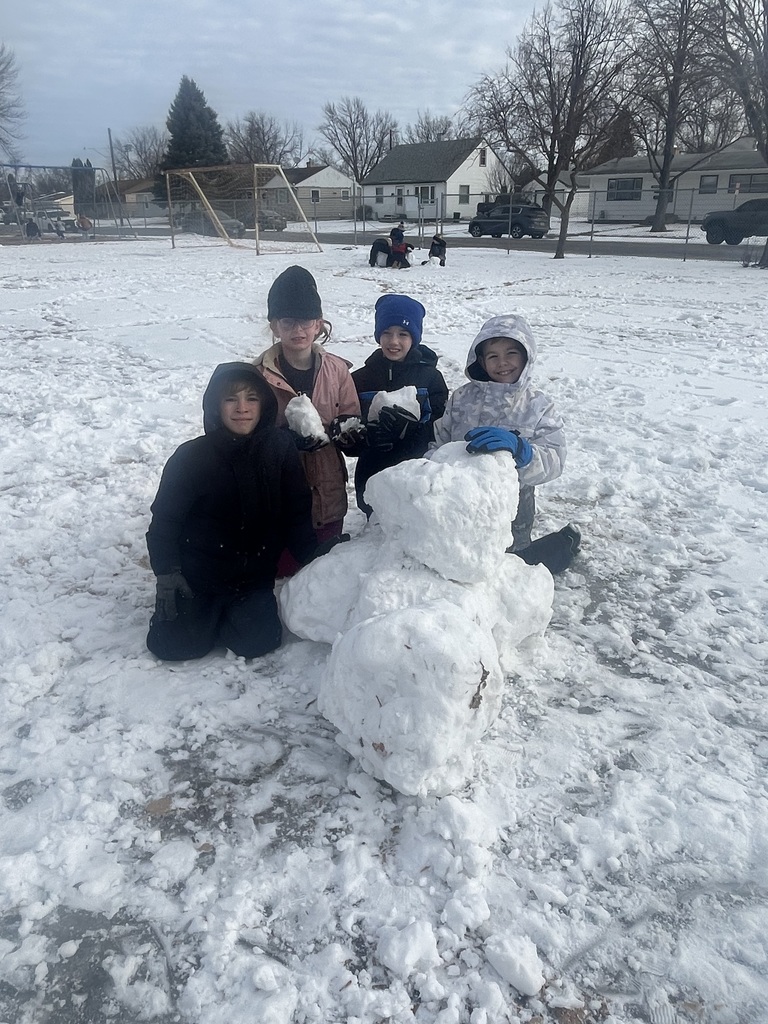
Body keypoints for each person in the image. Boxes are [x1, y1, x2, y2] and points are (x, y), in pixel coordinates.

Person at [146, 363, 320, 661]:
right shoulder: (190, 456)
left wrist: (317, 557)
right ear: (215, 405)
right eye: (231, 399)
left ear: (264, 404)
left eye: (251, 398)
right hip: (199, 577)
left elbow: (297, 511)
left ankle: (231, 616)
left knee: (258, 643)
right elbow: (165, 520)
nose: (242, 408)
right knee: (172, 646)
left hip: (252, 578)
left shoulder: (279, 448)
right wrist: (167, 572)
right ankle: (204, 616)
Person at [431, 314, 580, 575]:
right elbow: (440, 440)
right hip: (458, 496)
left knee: (509, 566)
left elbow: (554, 458)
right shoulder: (462, 398)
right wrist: (431, 474)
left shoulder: (537, 406)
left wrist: (523, 452)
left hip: (512, 504)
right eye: (493, 356)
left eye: (511, 353)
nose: (502, 363)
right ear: (480, 361)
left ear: (526, 357)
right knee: (458, 558)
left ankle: (561, 545)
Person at [254, 265, 361, 570]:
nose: (298, 331)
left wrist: (350, 433)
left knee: (324, 572)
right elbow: (251, 437)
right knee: (286, 573)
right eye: (288, 322)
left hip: (328, 493)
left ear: (318, 324)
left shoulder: (337, 370)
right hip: (281, 495)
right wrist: (285, 440)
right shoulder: (260, 376)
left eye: (305, 321)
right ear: (275, 326)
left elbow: (351, 416)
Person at [350, 294, 448, 517]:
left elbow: (441, 426)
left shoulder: (431, 378)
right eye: (387, 333)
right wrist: (366, 437)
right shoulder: (360, 379)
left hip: (418, 478)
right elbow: (351, 428)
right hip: (371, 474)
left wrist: (412, 433)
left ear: (415, 338)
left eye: (403, 334)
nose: (394, 341)